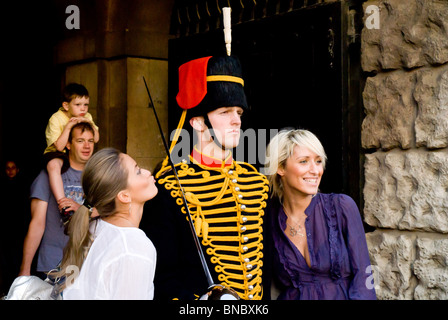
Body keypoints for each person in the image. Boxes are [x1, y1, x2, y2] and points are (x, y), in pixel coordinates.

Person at [141, 55, 270, 300]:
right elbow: (162, 278)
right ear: (198, 122)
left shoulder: (258, 184)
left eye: (239, 112)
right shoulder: (169, 188)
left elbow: (266, 265)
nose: (237, 120)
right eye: (225, 112)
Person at [263, 129, 376, 300]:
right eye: (304, 161)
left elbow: (364, 278)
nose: (315, 170)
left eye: (318, 161)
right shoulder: (268, 218)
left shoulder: (342, 207)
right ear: (280, 167)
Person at [55, 148, 157, 300]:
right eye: (137, 171)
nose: (148, 172)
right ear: (124, 196)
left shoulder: (95, 227)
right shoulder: (134, 248)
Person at [19, 122, 95, 278]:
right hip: (54, 262)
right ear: (68, 144)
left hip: (90, 260)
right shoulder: (48, 176)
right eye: (80, 141)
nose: (87, 146)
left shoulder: (98, 177)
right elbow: (37, 224)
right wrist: (24, 270)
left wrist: (81, 208)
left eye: (91, 141)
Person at [44, 83, 99, 212]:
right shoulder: (56, 118)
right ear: (66, 105)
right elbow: (59, 146)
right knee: (53, 165)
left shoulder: (87, 117)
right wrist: (68, 127)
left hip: (74, 153)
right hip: (57, 153)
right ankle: (63, 203)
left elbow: (96, 139)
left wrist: (89, 123)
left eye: (86, 105)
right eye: (78, 105)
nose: (83, 109)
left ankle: (89, 204)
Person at [0, 159, 30, 295]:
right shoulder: (2, 187)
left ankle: (16, 292)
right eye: (8, 168)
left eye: (13, 168)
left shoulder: (23, 188)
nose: (11, 171)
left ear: (17, 170)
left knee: (18, 260)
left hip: (20, 231)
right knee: (6, 262)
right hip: (5, 232)